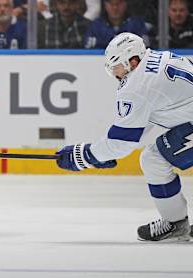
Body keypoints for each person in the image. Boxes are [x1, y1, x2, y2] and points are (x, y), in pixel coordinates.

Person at [56, 32, 193, 242]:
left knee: (154, 159)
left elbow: (122, 142)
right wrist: (102, 153)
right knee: (153, 158)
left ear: (133, 61)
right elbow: (142, 122)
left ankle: (176, 224)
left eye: (117, 66)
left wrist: (83, 156)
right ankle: (176, 222)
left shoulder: (136, 84)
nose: (116, 74)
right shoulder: (158, 57)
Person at [84, 0, 148, 49]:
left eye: (119, 3)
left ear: (125, 3)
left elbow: (145, 47)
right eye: (111, 3)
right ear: (105, 4)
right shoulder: (96, 26)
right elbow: (89, 50)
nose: (115, 7)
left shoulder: (137, 24)